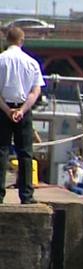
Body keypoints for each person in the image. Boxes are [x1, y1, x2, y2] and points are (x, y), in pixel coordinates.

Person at [0, 27, 44, 204]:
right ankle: (26, 196)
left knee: (1, 151)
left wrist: (7, 110)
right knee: (25, 152)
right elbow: (35, 91)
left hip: (3, 109)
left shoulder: (0, 60)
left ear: (6, 39)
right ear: (22, 40)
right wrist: (22, 110)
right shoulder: (32, 63)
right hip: (23, 110)